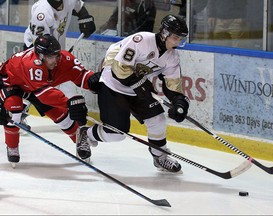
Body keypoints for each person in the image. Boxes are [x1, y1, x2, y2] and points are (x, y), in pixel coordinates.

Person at [81, 14, 190, 173]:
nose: (178, 42)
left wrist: (180, 102)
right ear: (165, 33)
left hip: (136, 86)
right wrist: (140, 85)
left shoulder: (172, 57)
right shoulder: (141, 40)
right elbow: (119, 68)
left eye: (181, 38)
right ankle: (86, 134)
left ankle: (160, 156)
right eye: (176, 37)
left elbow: (172, 85)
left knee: (158, 119)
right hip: (113, 84)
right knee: (116, 134)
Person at [0, 34, 99, 166]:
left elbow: (81, 76)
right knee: (14, 111)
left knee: (60, 116)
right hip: (11, 83)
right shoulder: (31, 64)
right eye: (50, 57)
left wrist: (94, 82)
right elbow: (45, 96)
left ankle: (81, 140)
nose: (55, 60)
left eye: (57, 55)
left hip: (34, 87)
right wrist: (69, 104)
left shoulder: (64, 59)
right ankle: (12, 146)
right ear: (40, 56)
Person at [22, 0, 96, 130]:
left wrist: (85, 18)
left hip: (55, 53)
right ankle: (17, 113)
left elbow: (79, 7)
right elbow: (41, 45)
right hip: (35, 52)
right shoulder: (42, 12)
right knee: (35, 86)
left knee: (61, 83)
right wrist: (56, 56)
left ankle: (75, 119)